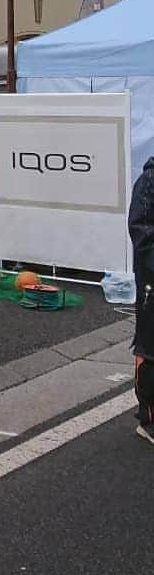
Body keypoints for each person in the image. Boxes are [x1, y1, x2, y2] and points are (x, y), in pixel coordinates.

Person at [128, 159, 154, 443]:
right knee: (151, 348)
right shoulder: (149, 181)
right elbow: (142, 232)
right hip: (152, 282)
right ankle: (149, 418)